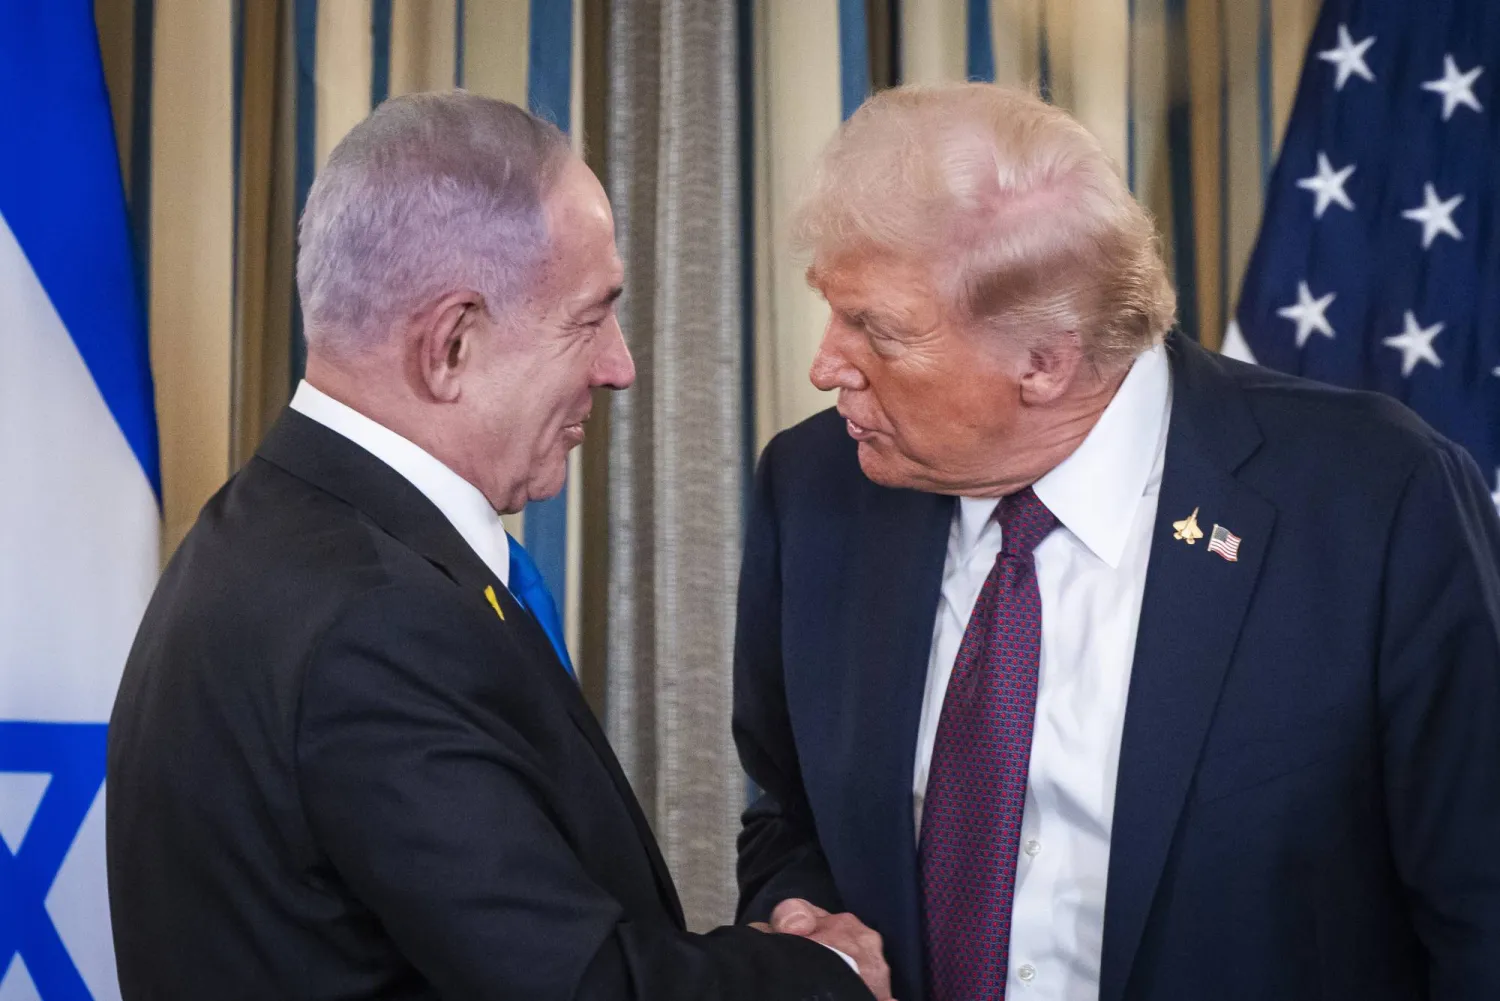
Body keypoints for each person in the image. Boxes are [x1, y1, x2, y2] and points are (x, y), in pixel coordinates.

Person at [107, 91, 886, 1001]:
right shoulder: (375, 623)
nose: (619, 366)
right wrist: (826, 971)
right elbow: (580, 986)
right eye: (589, 318)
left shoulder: (266, 530)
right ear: (450, 345)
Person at [733, 82, 1500, 1001]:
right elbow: (790, 816)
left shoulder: (1377, 500)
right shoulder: (815, 488)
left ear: (1044, 361)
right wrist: (807, 932)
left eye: (877, 331)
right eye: (832, 310)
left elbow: (1482, 908)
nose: (826, 365)